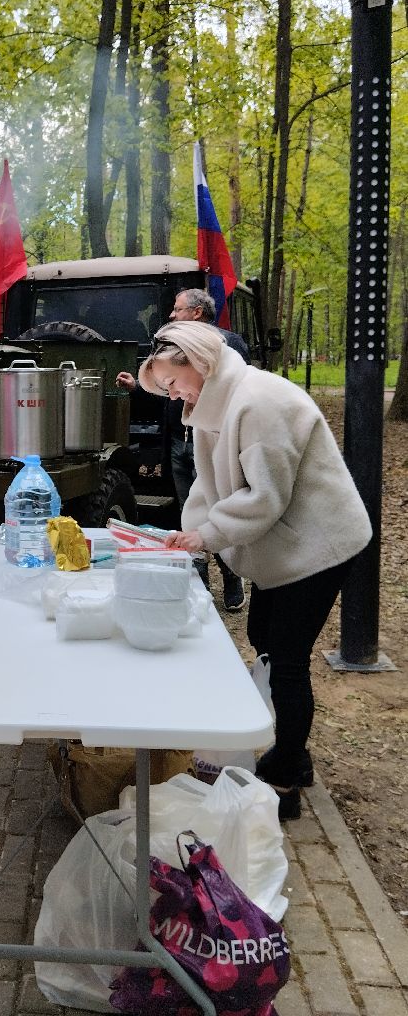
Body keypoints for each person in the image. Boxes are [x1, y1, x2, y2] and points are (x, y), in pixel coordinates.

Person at [136, 320, 372, 820]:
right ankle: (294, 752)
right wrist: (190, 536)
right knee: (262, 632)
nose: (174, 396)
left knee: (286, 657)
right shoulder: (210, 404)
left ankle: (285, 776)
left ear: (197, 364)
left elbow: (264, 496)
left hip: (321, 542)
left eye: (174, 384)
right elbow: (208, 486)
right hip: (286, 542)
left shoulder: (260, 403)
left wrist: (208, 535)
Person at [116, 288, 249, 611]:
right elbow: (170, 394)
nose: (172, 314)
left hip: (215, 441)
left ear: (197, 312)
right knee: (189, 512)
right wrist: (137, 389)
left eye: (178, 309)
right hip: (179, 443)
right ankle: (198, 582)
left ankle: (232, 578)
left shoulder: (229, 345)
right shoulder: (171, 347)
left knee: (219, 506)